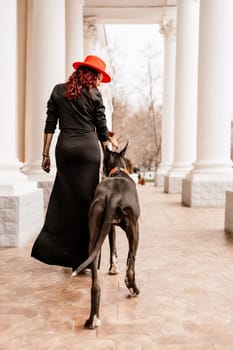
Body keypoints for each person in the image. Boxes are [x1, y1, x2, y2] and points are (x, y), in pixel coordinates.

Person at [31, 55, 117, 272]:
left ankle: (65, 255)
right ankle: (86, 258)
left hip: (66, 149)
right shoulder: (95, 94)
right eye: (99, 77)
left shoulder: (58, 91)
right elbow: (102, 130)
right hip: (88, 151)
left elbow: (50, 124)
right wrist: (111, 154)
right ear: (91, 75)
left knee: (66, 202)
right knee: (88, 203)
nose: (99, 83)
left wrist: (45, 154)